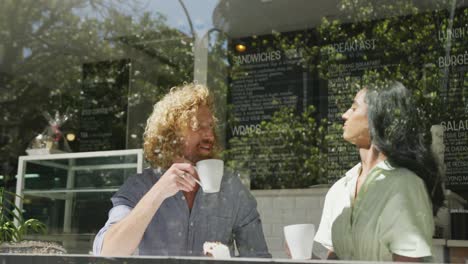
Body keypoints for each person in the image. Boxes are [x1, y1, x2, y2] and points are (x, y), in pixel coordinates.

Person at [92, 83, 271, 257]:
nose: (209, 135)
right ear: (172, 134)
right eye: (199, 126)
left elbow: (259, 257)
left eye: (210, 127)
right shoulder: (140, 186)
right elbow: (108, 251)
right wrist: (158, 193)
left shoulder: (231, 188)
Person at [318, 80, 444, 261]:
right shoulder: (339, 190)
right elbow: (335, 257)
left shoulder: (404, 186)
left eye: (354, 108)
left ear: (377, 118)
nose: (344, 115)